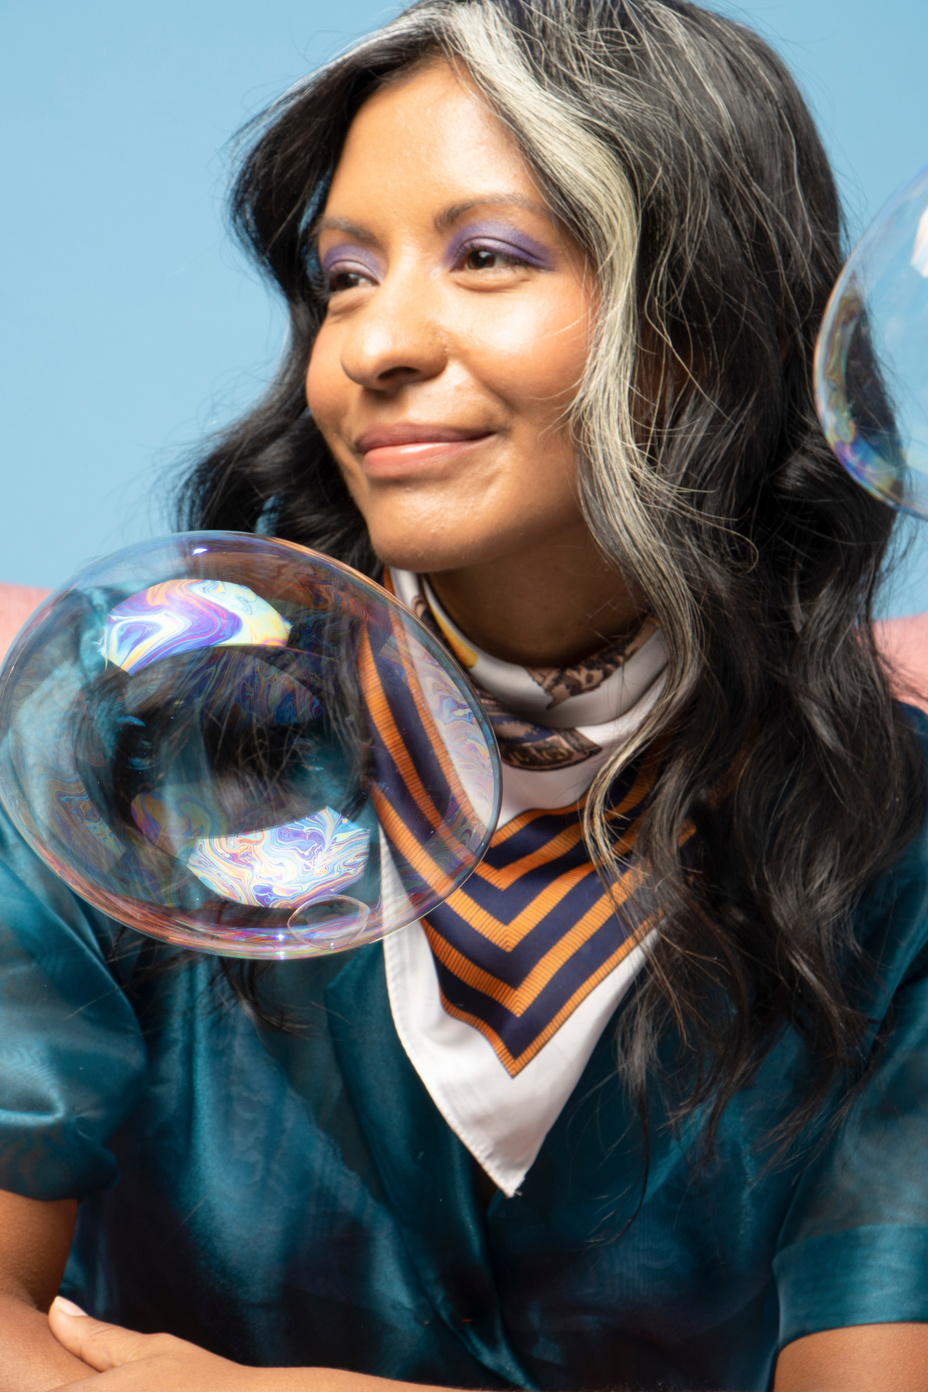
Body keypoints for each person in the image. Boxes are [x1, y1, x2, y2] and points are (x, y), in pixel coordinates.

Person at [1, 0, 927, 1388]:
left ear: (701, 326)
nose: (374, 347)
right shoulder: (126, 731)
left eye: (488, 257)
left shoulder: (896, 841)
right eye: (345, 278)